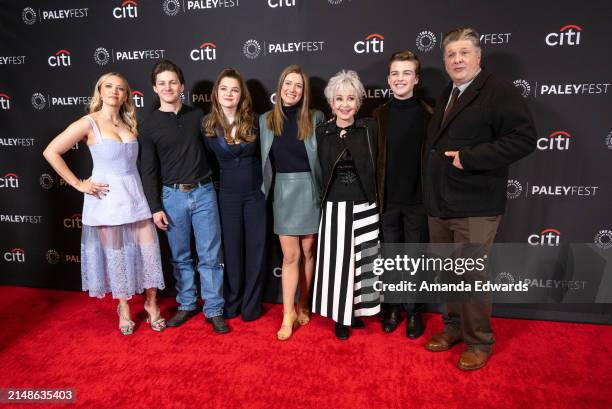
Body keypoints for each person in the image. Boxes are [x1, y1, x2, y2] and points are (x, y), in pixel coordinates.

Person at [423, 28, 536, 370]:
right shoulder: (448, 92)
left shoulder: (498, 91)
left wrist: (469, 158)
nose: (457, 59)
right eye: (451, 54)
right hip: (441, 202)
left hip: (475, 203)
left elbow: (524, 138)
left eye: (463, 53)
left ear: (478, 57)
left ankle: (479, 342)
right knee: (449, 272)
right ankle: (455, 327)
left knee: (471, 275)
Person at [43, 72, 166, 335]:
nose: (114, 91)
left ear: (126, 95)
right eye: (109, 86)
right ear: (99, 90)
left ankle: (151, 303)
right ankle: (123, 308)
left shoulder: (129, 122)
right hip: (106, 200)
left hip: (135, 196)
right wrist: (79, 183)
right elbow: (51, 151)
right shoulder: (89, 123)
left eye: (120, 88)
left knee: (149, 253)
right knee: (117, 257)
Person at [138, 59, 229, 333]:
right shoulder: (148, 124)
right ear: (155, 88)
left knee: (210, 255)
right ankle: (187, 304)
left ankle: (213, 308)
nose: (168, 87)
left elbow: (213, 155)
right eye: (162, 83)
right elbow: (148, 170)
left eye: (173, 82)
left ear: (182, 86)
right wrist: (155, 207)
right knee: (180, 257)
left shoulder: (197, 116)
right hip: (172, 197)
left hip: (203, 193)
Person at [312, 70, 381, 340]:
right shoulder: (322, 132)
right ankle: (341, 316)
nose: (344, 104)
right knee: (337, 264)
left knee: (363, 261)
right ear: (331, 102)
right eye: (339, 98)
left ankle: (357, 311)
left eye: (350, 98)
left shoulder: (368, 128)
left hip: (365, 206)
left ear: (358, 102)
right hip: (334, 205)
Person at [260, 65, 324, 340]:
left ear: (304, 91)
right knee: (290, 256)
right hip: (283, 192)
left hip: (310, 189)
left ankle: (303, 303)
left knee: (308, 253)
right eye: (288, 83)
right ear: (280, 86)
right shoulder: (265, 120)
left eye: (298, 85)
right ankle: (287, 314)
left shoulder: (316, 117)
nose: (292, 89)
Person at [373, 51, 433, 339]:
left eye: (406, 73)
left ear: (416, 78)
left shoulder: (429, 114)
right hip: (386, 201)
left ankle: (413, 312)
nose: (400, 78)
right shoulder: (379, 115)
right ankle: (392, 308)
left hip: (418, 201)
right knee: (390, 258)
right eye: (395, 74)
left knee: (414, 260)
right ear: (388, 79)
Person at [203, 68, 266, 321]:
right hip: (227, 197)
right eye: (224, 89)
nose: (229, 94)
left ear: (242, 95)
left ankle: (251, 307)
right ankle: (232, 302)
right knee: (231, 251)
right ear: (216, 93)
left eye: (235, 89)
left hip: (255, 196)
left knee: (256, 250)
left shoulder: (257, 121)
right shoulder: (206, 124)